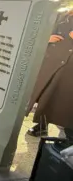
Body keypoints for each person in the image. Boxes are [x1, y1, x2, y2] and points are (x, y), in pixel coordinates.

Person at [26, 8, 73, 140]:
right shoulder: (62, 13)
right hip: (52, 59)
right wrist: (48, 37)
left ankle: (67, 134)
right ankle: (42, 126)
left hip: (69, 66)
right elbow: (41, 30)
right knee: (45, 92)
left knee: (61, 97)